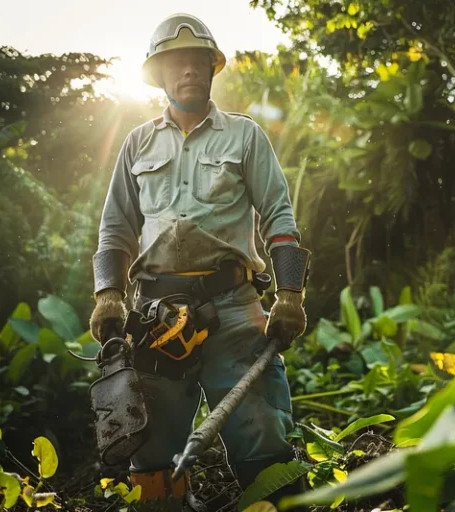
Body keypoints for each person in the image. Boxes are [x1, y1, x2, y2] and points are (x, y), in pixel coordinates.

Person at [88, 13, 310, 510]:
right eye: (175, 63)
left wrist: (291, 295)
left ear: (211, 70)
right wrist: (107, 295)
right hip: (155, 316)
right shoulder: (137, 143)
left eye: (196, 62)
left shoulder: (245, 136)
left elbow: (278, 216)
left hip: (232, 308)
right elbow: (114, 228)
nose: (187, 71)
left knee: (264, 437)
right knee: (151, 454)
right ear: (158, 75)